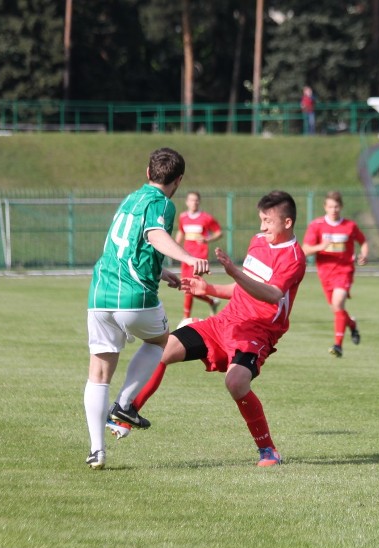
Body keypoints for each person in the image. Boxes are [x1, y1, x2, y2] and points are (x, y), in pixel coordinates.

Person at [104, 191, 306, 468]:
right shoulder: (258, 242)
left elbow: (271, 294)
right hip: (225, 321)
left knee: (236, 383)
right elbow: (243, 289)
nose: (261, 227)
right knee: (162, 349)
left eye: (268, 221)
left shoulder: (294, 257)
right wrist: (208, 289)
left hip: (257, 332)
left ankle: (268, 450)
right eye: (261, 220)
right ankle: (128, 411)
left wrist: (235, 272)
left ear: (287, 222)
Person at [83, 147, 210, 470]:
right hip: (133, 297)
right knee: (160, 341)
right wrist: (187, 258)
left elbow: (128, 245)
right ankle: (125, 405)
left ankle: (97, 450)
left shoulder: (130, 199)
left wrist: (162, 272)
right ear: (179, 180)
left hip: (100, 294)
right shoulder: (162, 203)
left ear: (147, 172)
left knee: (99, 372)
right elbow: (154, 235)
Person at [302, 191, 368, 358]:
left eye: (336, 206)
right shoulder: (316, 225)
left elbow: (363, 241)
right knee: (336, 309)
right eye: (330, 206)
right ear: (325, 207)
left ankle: (337, 346)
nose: (333, 210)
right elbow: (305, 249)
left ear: (341, 207)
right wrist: (320, 246)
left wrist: (364, 255)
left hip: (344, 271)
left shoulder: (349, 226)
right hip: (325, 273)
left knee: (337, 304)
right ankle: (352, 324)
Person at [175, 191, 223, 318]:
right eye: (191, 200)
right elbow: (180, 232)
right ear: (187, 202)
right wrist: (174, 247)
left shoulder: (206, 217)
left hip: (199, 256)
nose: (194, 202)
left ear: (199, 202)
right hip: (186, 255)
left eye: (196, 200)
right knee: (186, 287)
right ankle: (212, 302)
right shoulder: (183, 217)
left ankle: (185, 319)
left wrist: (207, 239)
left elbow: (219, 232)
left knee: (190, 286)